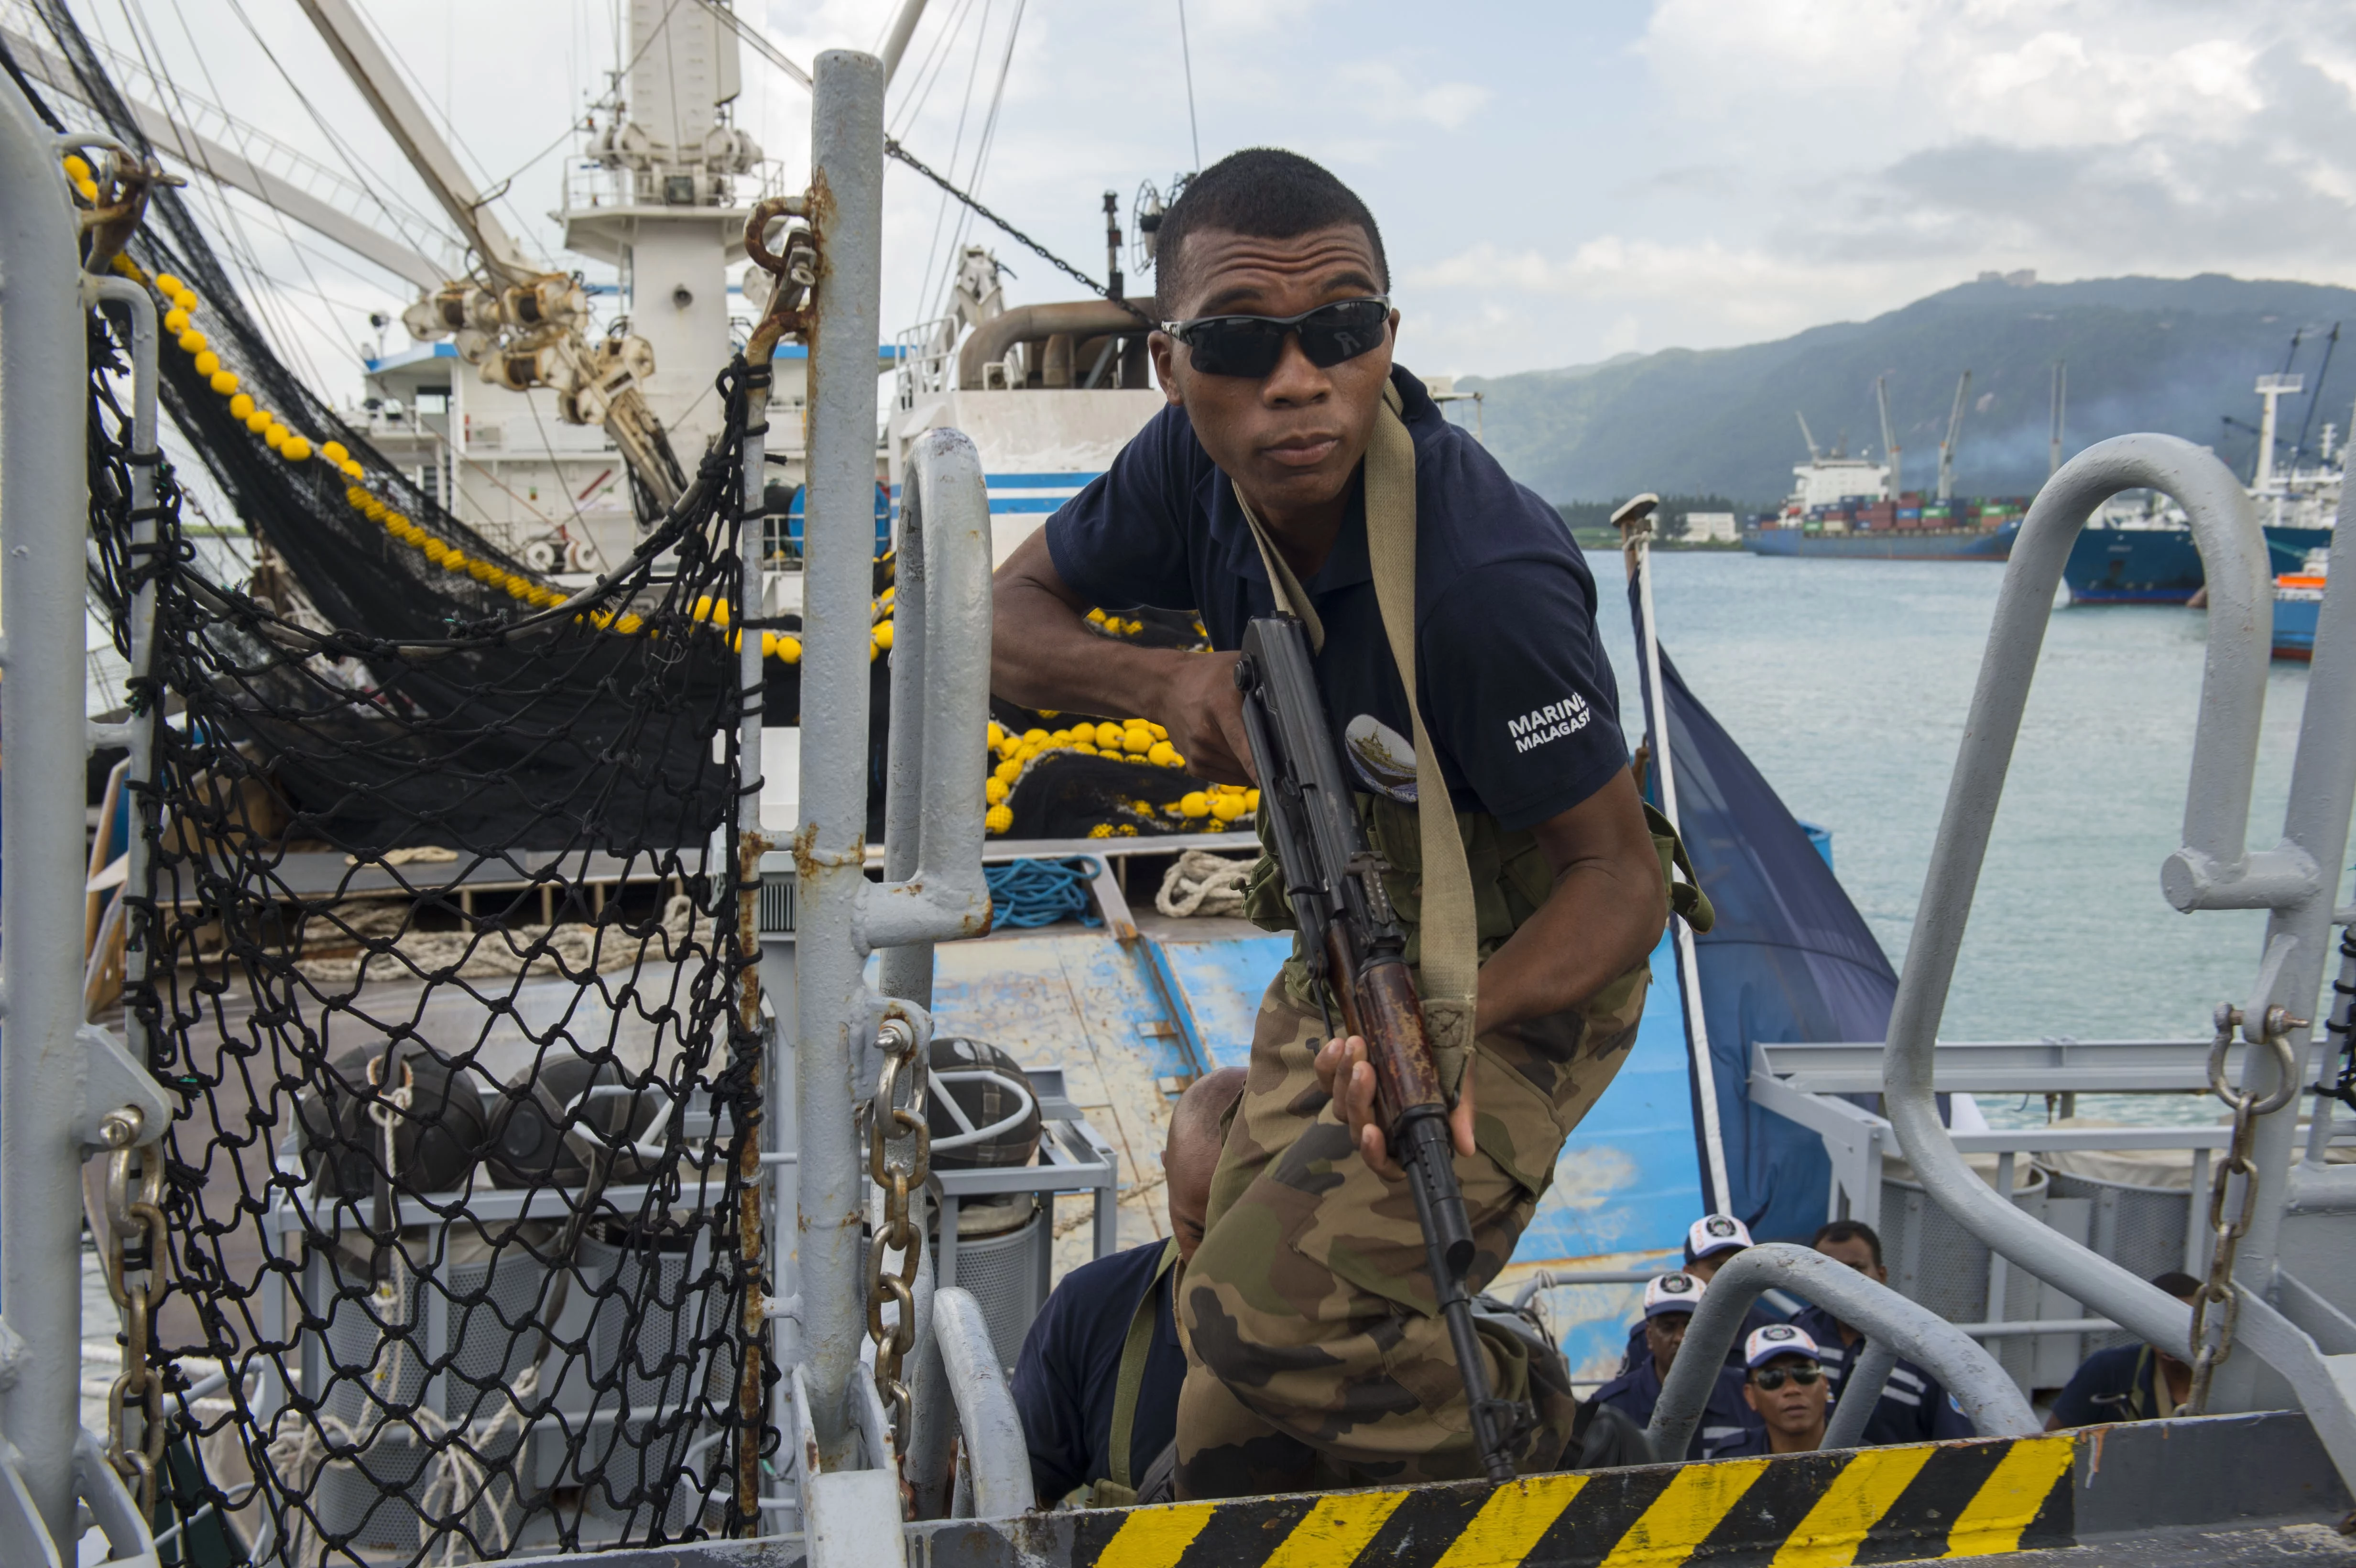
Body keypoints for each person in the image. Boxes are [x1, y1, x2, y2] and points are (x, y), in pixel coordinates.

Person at [991, 147, 1675, 1497]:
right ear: (1171, 365)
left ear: (1388, 339)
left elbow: (1619, 879)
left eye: (1342, 329)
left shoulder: (1485, 580)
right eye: (1241, 340)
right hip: (1350, 930)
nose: (1299, 379)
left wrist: (1452, 1021)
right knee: (1228, 1374)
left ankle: (1565, 1445)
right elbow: (1004, 620)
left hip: (1530, 959)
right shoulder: (1192, 471)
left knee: (1274, 1321)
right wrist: (1164, 682)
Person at [1009, 1068, 1248, 1506]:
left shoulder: (1371, 1326)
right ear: (1167, 1172)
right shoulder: (1089, 1309)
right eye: (1198, 1234)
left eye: (1247, 1238)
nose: (1220, 1267)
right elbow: (1013, 1494)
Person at [1792, 1220, 1974, 1445]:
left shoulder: (1924, 1350)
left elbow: (1957, 1446)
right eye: (1828, 1270)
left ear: (1882, 1275)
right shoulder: (1800, 1332)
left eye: (1855, 1269)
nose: (1841, 1281)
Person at [1589, 1273, 1760, 1459]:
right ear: (1649, 1336)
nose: (1680, 1338)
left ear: (1711, 1331)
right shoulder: (1611, 1406)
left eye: (1691, 1326)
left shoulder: (1749, 1398)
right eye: (1668, 1327)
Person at [1619, 1216, 1784, 1373]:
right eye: (1717, 1268)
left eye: (1740, 1266)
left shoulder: (1770, 1333)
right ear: (1689, 1274)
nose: (1732, 1277)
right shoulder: (1652, 1336)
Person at [2046, 1272, 2203, 1428]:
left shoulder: (2218, 1376)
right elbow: (2054, 1438)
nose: (2173, 1333)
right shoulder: (2107, 1369)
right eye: (2162, 1321)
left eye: (2186, 1322)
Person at [1714, 1324, 1834, 1457]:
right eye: (1771, 1378)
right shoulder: (1733, 1459)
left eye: (1804, 1374)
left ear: (1825, 1385)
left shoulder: (1854, 1449)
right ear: (1750, 1396)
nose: (1792, 1389)